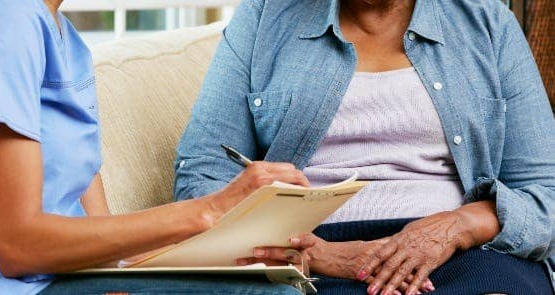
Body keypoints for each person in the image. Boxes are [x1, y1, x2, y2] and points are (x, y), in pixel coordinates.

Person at [0, 0, 310, 294]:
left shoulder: (63, 38)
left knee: (260, 283)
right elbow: (17, 246)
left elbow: (105, 240)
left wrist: (230, 248)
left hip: (45, 278)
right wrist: (211, 210)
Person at [174, 0, 555, 294]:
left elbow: (546, 195)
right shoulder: (263, 18)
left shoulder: (488, 22)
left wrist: (460, 225)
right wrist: (306, 253)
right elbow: (203, 172)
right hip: (305, 255)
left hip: (458, 248)